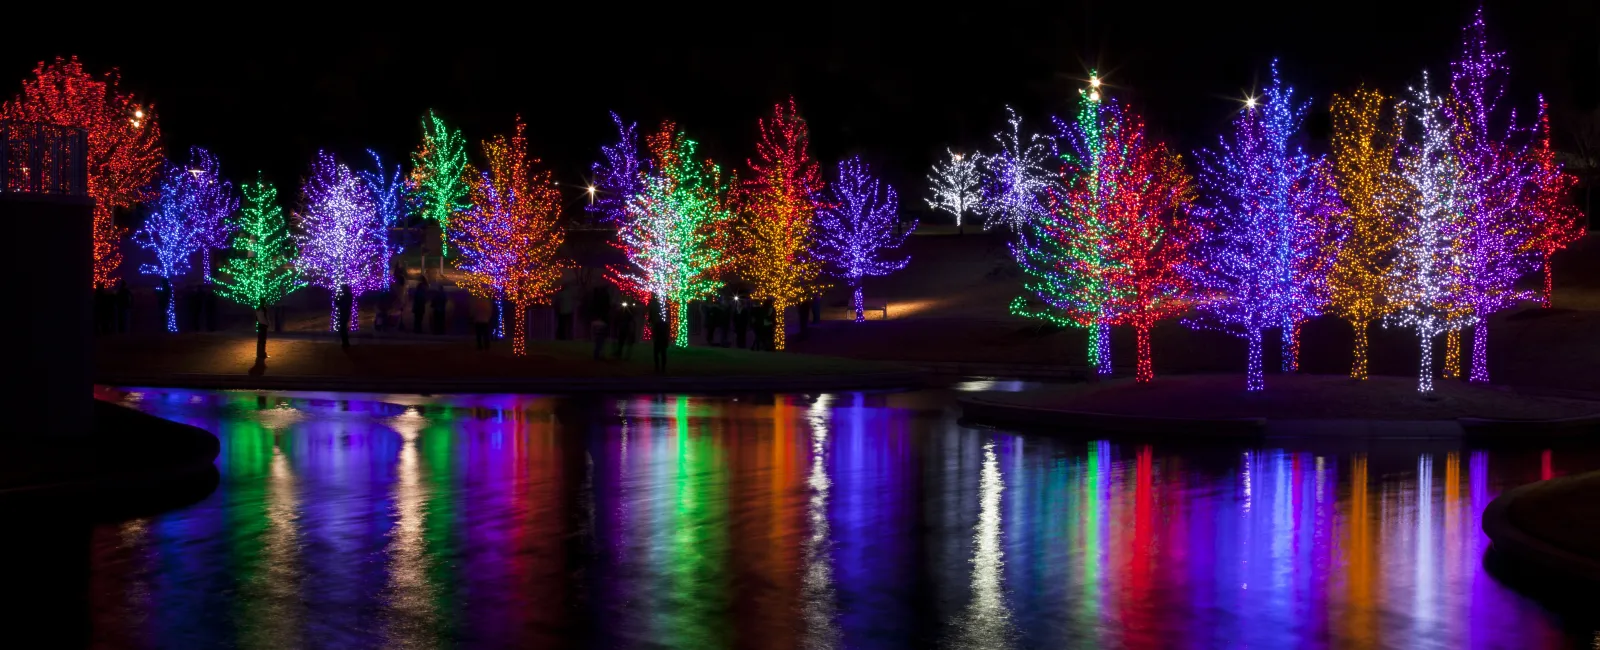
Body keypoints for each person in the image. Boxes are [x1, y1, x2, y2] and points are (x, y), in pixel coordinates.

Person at [647, 294, 669, 372]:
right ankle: (661, 367)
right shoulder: (663, 324)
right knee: (661, 354)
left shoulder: (658, 325)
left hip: (659, 340)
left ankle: (659, 367)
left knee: (658, 353)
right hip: (661, 339)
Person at [335, 284, 353, 349]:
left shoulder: (346, 296)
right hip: (346, 313)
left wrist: (337, 299)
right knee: (343, 328)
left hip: (344, 313)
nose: (342, 290)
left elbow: (339, 303)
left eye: (342, 289)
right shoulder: (348, 295)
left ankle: (345, 342)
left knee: (343, 329)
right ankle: (345, 342)